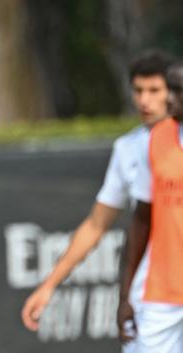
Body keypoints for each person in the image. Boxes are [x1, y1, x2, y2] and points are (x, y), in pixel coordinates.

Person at [21, 50, 174, 336]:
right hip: (152, 297)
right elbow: (96, 225)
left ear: (174, 94)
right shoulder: (127, 148)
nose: (144, 100)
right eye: (138, 91)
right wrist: (48, 285)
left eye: (155, 90)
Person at [117, 63, 183, 353]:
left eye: (178, 92)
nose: (170, 99)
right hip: (162, 293)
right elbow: (141, 219)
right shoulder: (156, 139)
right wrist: (125, 295)